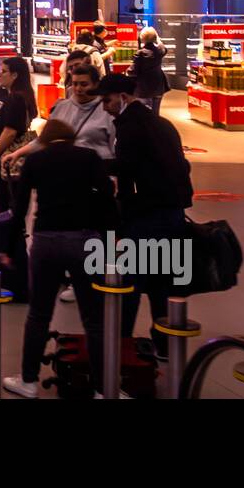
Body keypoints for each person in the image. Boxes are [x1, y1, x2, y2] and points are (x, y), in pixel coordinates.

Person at [1, 119, 118, 398]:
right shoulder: (89, 157)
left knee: (39, 315)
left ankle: (28, 381)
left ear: (45, 140)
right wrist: (112, 240)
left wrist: (8, 247)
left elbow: (19, 209)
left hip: (47, 241)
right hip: (84, 240)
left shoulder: (36, 161)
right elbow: (107, 197)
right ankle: (102, 388)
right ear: (71, 138)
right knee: (93, 319)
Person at [96, 73, 193, 359]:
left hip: (146, 217)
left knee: (130, 283)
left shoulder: (130, 127)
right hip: (174, 212)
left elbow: (127, 173)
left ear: (123, 98)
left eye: (107, 100)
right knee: (163, 284)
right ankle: (164, 345)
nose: (104, 107)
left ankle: (122, 345)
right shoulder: (162, 124)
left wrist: (96, 167)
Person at [0, 56, 37, 213]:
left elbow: (10, 132)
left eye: (4, 71)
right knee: (6, 201)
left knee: (8, 203)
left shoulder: (17, 99)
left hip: (7, 157)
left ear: (15, 75)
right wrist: (2, 79)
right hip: (3, 157)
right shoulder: (9, 95)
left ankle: (12, 235)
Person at [129, 26, 169, 115]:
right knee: (155, 114)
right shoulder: (159, 51)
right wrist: (158, 39)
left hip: (144, 88)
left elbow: (133, 71)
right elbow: (164, 48)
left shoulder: (140, 53)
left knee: (144, 114)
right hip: (158, 86)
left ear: (142, 38)